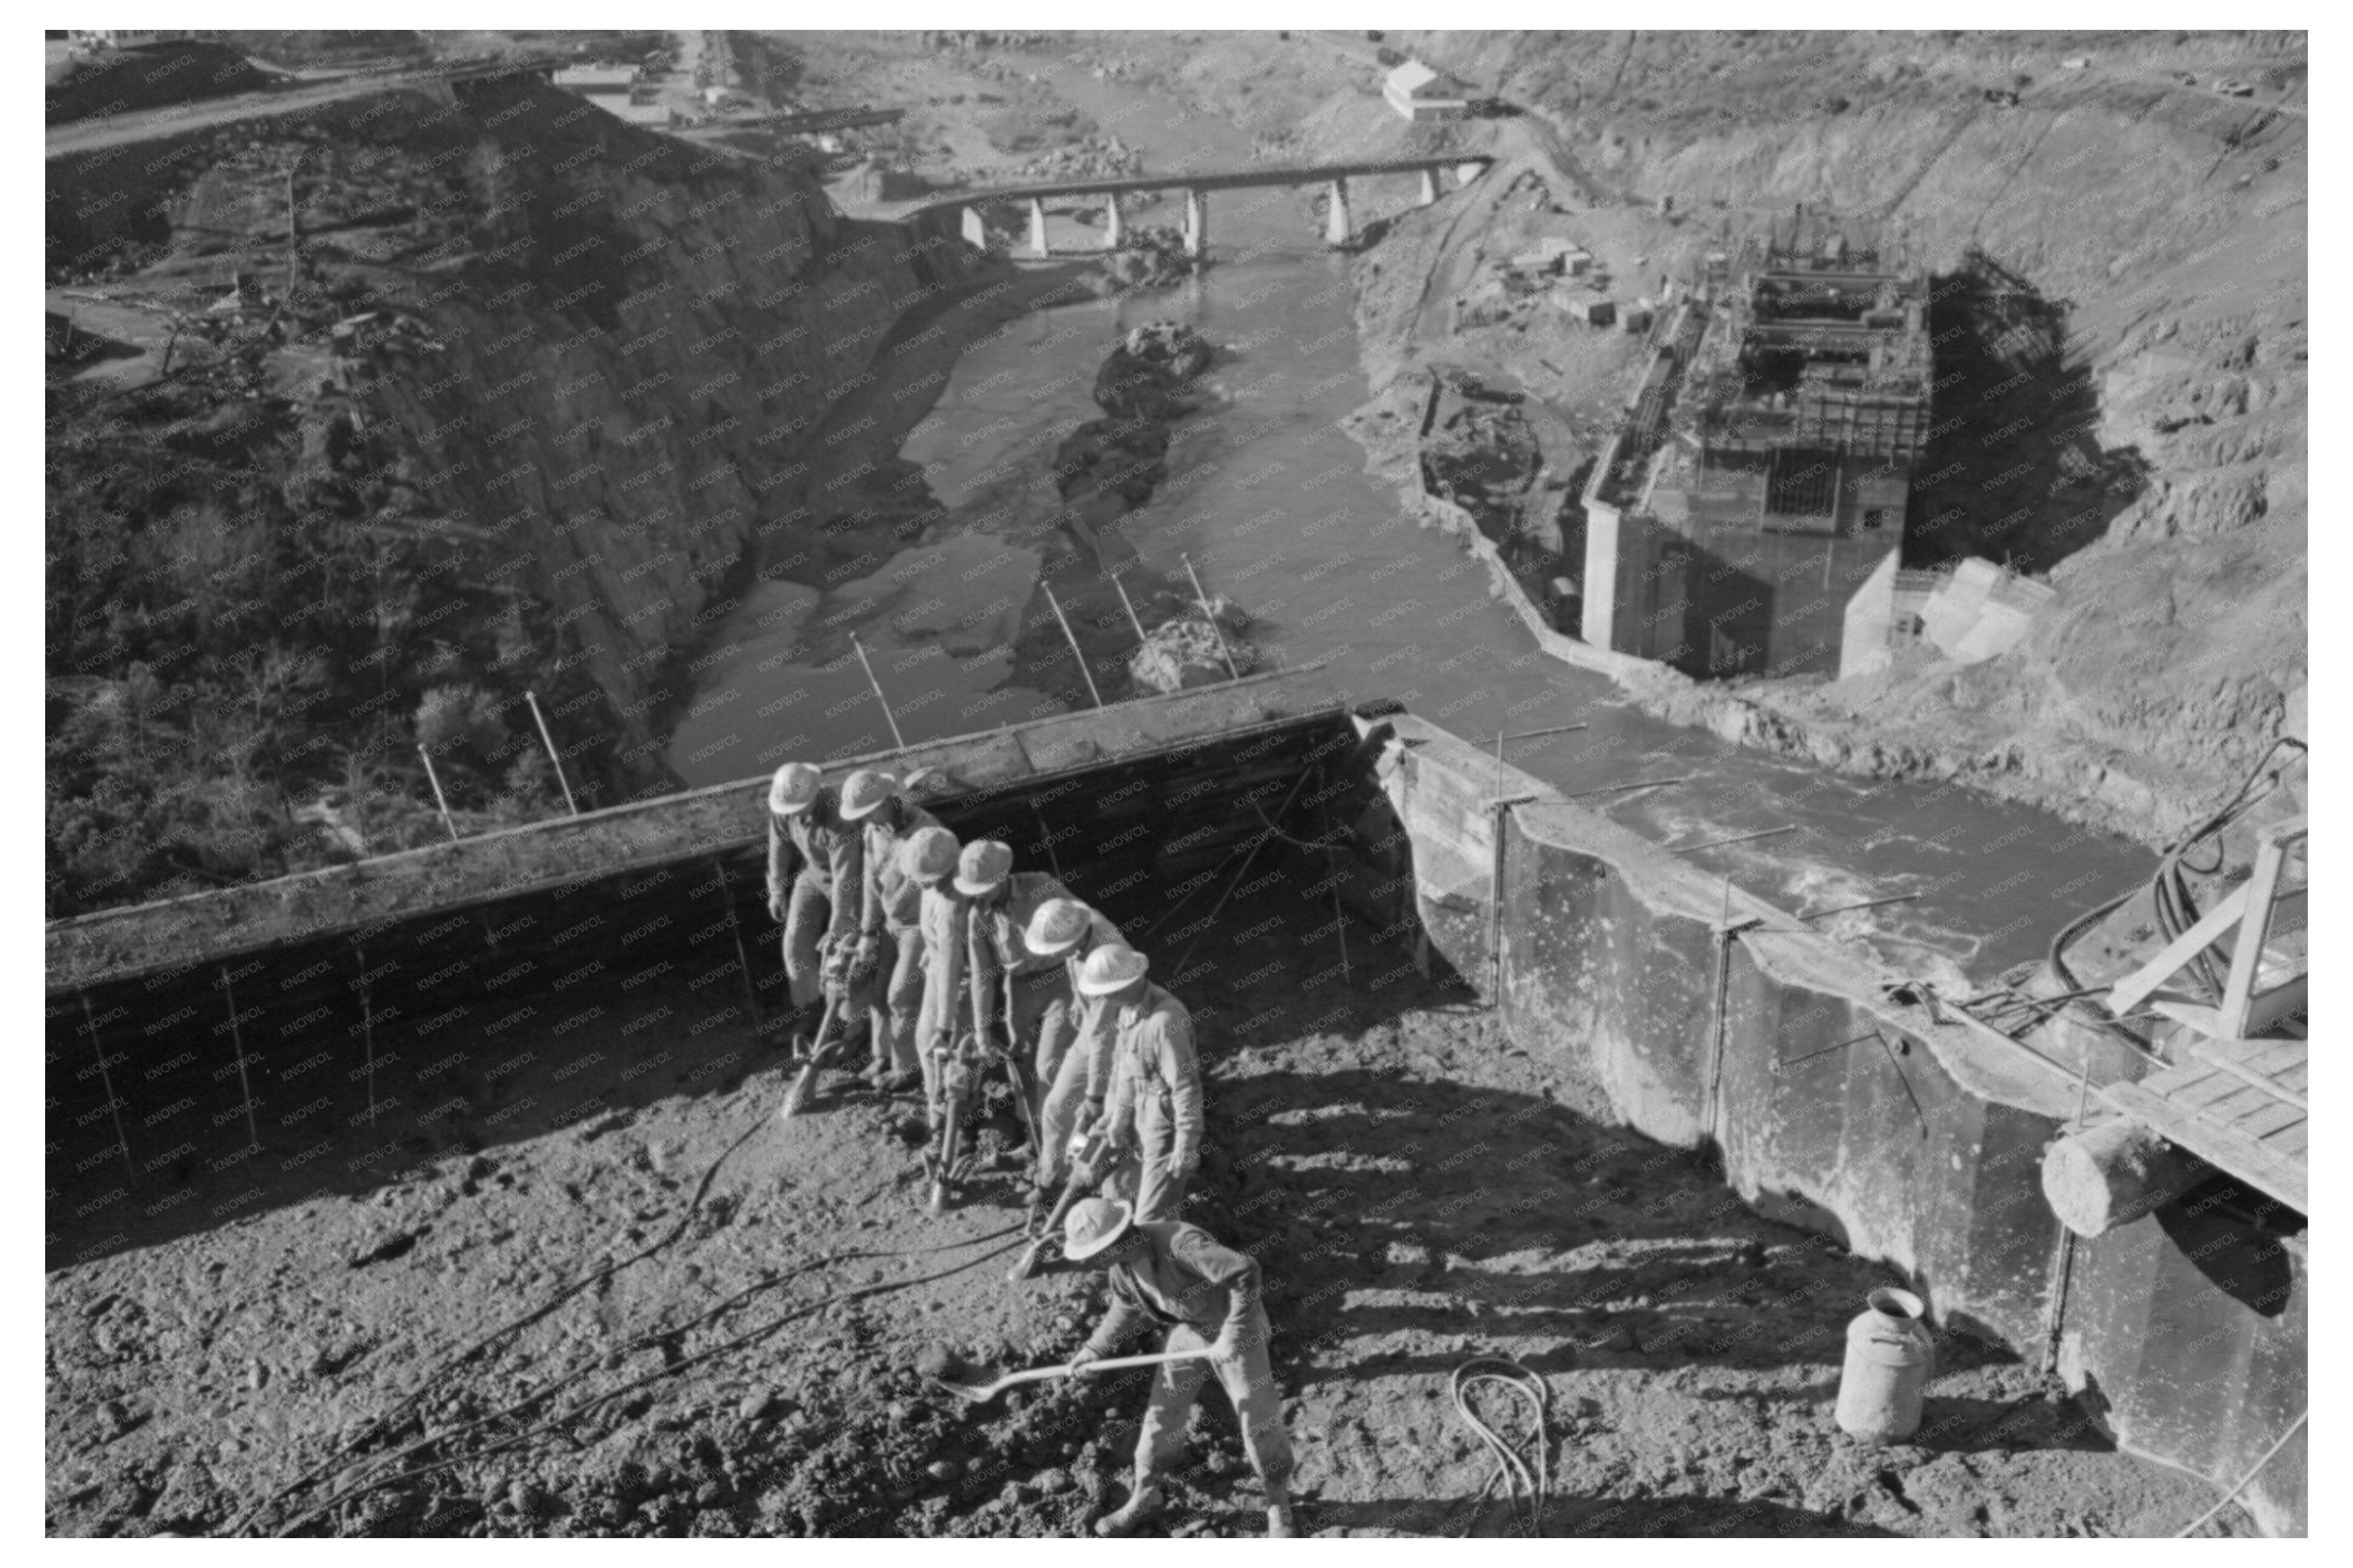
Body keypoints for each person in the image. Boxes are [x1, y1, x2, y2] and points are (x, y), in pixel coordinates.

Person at [1061, 1197, 1294, 1538]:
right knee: (1161, 1415)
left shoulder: (1180, 1243)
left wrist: (1233, 1332)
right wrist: (1094, 1349)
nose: (1091, 1261)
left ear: (1116, 1240)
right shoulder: (1121, 1266)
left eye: (1095, 1253)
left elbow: (1245, 1271)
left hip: (1237, 1326)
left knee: (1258, 1421)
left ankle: (1279, 1505)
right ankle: (1146, 1496)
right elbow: (1126, 1304)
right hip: (1190, 1329)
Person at [956, 840, 1084, 1193]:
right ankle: (1034, 1136)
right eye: (974, 891)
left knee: (1049, 1066)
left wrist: (1088, 980)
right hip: (1021, 988)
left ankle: (1059, 1148)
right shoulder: (978, 917)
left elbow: (1082, 922)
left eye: (985, 888)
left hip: (1061, 981)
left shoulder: (1041, 885)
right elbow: (983, 977)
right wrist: (982, 1031)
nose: (980, 896)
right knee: (1021, 1064)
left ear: (1003, 877)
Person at [1080, 945, 1202, 1224]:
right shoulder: (1129, 1012)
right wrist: (1119, 1120)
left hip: (1164, 1124)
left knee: (1151, 1218)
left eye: (1108, 991)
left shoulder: (1164, 1022)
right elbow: (1127, 1072)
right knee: (1123, 1191)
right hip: (1140, 1113)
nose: (1105, 998)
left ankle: (1167, 1247)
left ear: (1126, 984)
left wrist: (1186, 1145)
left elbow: (1186, 1087)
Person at [839, 769, 940, 1094]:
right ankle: (883, 1055)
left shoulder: (927, 831)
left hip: (919, 926)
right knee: (879, 993)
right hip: (889, 925)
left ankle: (907, 1068)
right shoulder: (873, 831)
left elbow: (942, 885)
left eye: (870, 811)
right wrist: (868, 932)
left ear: (886, 802)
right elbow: (871, 882)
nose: (866, 819)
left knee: (902, 997)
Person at [1023, 897, 1126, 1200]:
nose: (1055, 955)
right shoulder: (1079, 924)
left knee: (1098, 1122)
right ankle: (1052, 1177)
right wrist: (1078, 1010)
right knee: (1056, 1109)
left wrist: (1094, 1096)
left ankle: (1086, 1183)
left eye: (1059, 948)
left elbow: (1104, 1037)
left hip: (1123, 1039)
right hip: (1092, 1029)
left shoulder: (1105, 959)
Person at [764, 763, 865, 1053]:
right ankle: (809, 1010)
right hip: (812, 874)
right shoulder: (784, 808)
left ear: (815, 794)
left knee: (843, 952)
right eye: (790, 809)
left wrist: (839, 923)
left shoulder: (838, 815)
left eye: (800, 807)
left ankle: (851, 1024)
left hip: (849, 880)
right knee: (795, 944)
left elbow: (845, 874)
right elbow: (779, 846)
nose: (794, 813)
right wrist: (777, 890)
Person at [899, 825, 966, 1118]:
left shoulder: (951, 905)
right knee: (924, 1040)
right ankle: (936, 1105)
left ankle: (949, 1115)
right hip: (938, 964)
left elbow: (952, 967)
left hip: (957, 978)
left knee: (942, 1049)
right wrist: (930, 947)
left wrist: (945, 1027)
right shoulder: (933, 887)